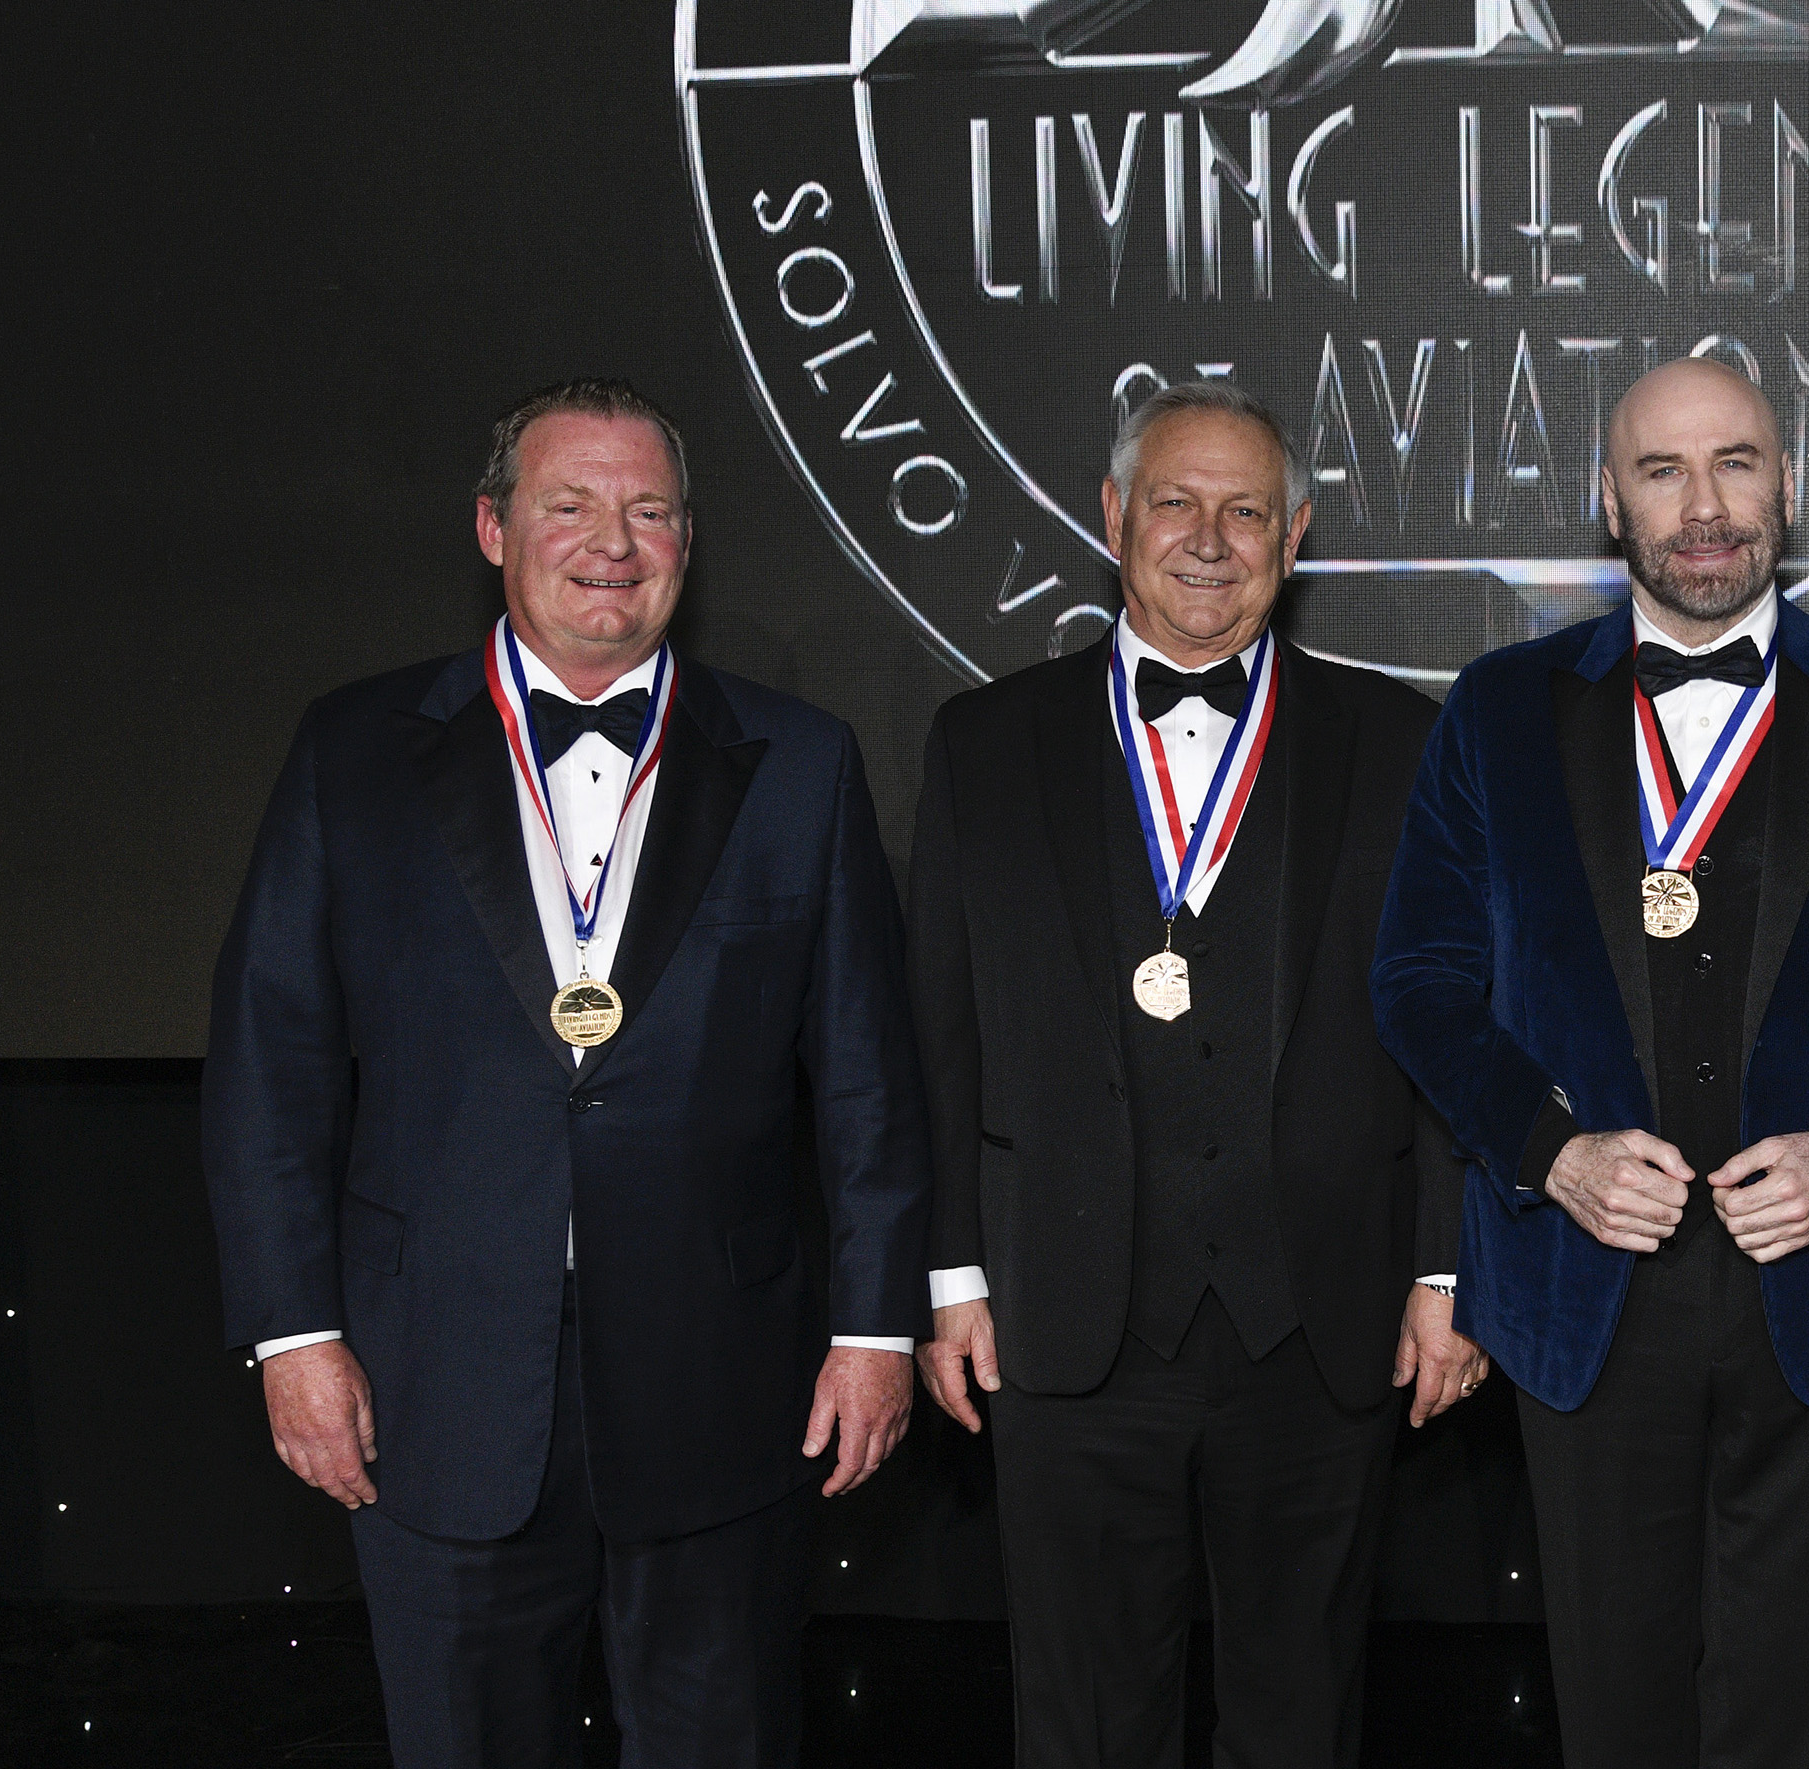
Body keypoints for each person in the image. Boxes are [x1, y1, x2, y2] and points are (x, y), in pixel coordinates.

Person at [205, 378, 929, 1768]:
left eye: (649, 509)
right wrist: (293, 1331)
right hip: (433, 1391)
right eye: (571, 505)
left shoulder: (800, 761)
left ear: (689, 540)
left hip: (725, 1387)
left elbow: (865, 1078)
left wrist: (877, 1326)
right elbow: (269, 1061)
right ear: (492, 528)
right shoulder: (350, 752)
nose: (614, 541)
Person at [1370, 355, 1809, 1768]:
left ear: (1789, 487)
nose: (1705, 505)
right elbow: (1419, 986)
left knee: (1797, 1710)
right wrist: (1555, 1153)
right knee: (1614, 1708)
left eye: (1736, 462)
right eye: (1662, 471)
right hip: (1580, 1294)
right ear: (1608, 501)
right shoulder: (1496, 712)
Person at [903, 380, 1482, 1769]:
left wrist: (1450, 1269)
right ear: (1113, 517)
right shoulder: (983, 739)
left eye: (1246, 511)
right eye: (1176, 501)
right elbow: (939, 1028)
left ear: (1296, 538)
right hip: (1062, 1316)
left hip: (1323, 1320)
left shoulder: (1403, 744)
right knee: (1086, 1717)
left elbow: (1456, 1022)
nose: (1209, 539)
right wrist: (949, 1276)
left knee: (1299, 1713)